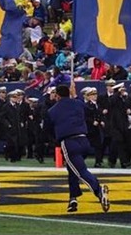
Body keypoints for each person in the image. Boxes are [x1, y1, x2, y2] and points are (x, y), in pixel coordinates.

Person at [45, 82, 110, 213]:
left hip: (69, 142)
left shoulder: (52, 111)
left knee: (80, 170)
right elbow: (89, 110)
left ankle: (98, 190)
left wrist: (56, 141)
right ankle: (73, 198)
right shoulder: (78, 103)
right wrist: (76, 96)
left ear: (57, 96)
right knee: (72, 169)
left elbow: (48, 129)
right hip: (84, 140)